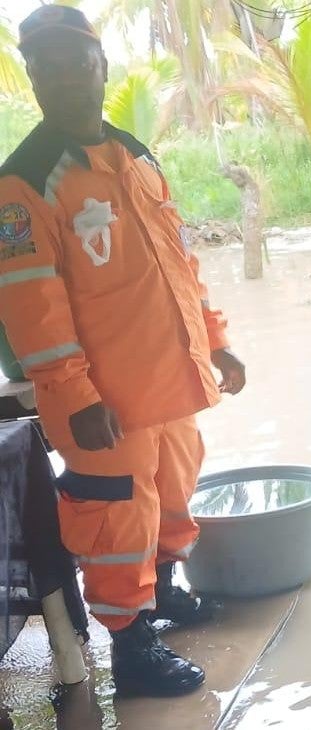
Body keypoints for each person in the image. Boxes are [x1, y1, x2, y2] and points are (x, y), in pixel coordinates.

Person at [0, 5, 246, 698]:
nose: (69, 80)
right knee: (115, 519)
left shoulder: (136, 155)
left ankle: (162, 594)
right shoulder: (23, 182)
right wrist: (75, 397)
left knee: (173, 489)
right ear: (35, 77)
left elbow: (181, 268)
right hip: (101, 403)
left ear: (102, 68)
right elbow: (31, 309)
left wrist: (218, 343)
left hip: (172, 382)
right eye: (49, 68)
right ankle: (131, 648)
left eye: (80, 64)